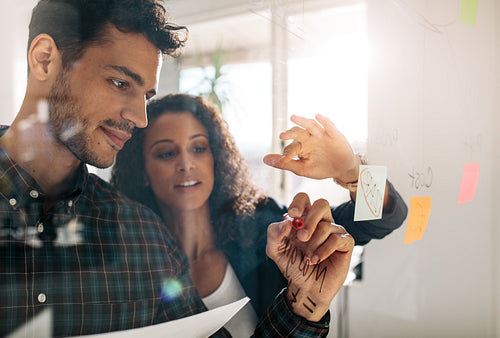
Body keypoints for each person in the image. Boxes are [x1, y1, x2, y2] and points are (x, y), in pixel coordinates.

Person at [0, 0, 355, 337]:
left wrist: (304, 304)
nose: (139, 119)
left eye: (146, 96)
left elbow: (380, 216)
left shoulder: (146, 239)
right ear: (45, 59)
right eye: (121, 83)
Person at [111, 94, 408, 336]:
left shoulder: (258, 224)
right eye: (166, 153)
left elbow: (380, 218)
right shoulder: (130, 264)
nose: (186, 163)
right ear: (143, 171)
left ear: (216, 158)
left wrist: (352, 171)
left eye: (199, 148)